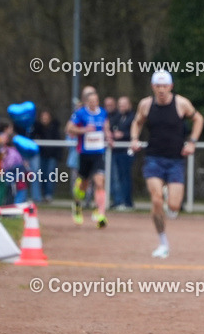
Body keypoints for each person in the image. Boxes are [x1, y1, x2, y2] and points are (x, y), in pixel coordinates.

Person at [130, 70, 204, 258]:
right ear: (153, 87)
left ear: (170, 86)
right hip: (153, 158)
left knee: (174, 207)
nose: (161, 89)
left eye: (165, 86)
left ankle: (167, 197)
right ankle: (163, 242)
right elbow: (137, 122)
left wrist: (192, 142)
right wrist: (134, 138)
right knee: (156, 201)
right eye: (158, 86)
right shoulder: (146, 105)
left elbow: (198, 119)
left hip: (175, 161)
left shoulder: (181, 103)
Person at [67, 86, 111, 228]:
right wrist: (84, 129)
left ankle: (101, 213)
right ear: (86, 102)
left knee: (99, 182)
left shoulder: (103, 113)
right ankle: (77, 205)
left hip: (98, 153)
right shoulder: (80, 114)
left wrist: (109, 137)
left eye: (96, 101)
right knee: (83, 185)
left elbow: (106, 128)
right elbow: (69, 129)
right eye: (91, 101)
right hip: (85, 154)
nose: (93, 103)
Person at [108, 96, 135, 210]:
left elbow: (135, 133)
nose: (121, 107)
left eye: (124, 104)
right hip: (115, 151)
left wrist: (123, 135)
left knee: (125, 177)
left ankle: (127, 202)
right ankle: (117, 201)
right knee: (115, 177)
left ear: (129, 105)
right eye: (120, 105)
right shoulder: (116, 117)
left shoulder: (133, 117)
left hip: (126, 151)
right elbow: (110, 128)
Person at [32, 109, 62, 202]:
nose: (44, 119)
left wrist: (58, 155)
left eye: (46, 117)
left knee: (50, 175)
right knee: (42, 175)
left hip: (52, 156)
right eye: (43, 117)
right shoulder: (38, 128)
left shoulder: (54, 128)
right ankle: (42, 194)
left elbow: (58, 143)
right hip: (41, 155)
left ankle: (49, 195)